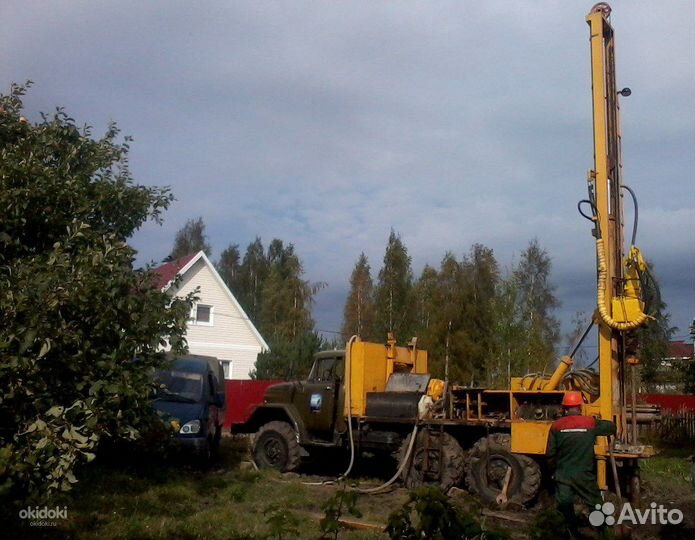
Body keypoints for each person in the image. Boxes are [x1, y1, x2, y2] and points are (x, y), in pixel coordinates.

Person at [546, 391, 616, 530]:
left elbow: (550, 454)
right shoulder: (590, 422)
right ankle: (605, 530)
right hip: (584, 474)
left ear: (564, 408)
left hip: (563, 474)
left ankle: (571, 529)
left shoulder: (556, 426)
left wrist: (552, 472)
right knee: (595, 503)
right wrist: (601, 421)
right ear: (579, 407)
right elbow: (611, 428)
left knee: (564, 504)